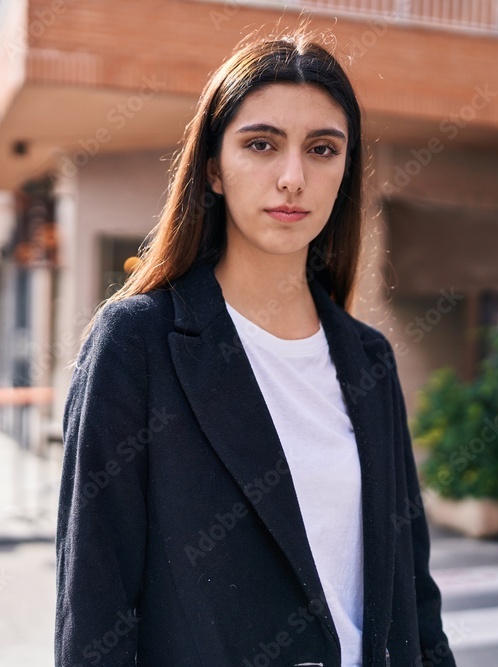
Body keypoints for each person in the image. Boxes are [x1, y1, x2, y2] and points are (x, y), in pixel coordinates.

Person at [55, 29, 456, 667]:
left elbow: (416, 598)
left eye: (323, 149)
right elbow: (95, 615)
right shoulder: (137, 345)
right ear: (213, 167)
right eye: (262, 144)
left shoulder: (370, 361)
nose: (293, 177)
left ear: (345, 171)